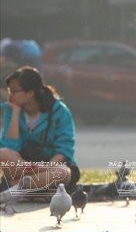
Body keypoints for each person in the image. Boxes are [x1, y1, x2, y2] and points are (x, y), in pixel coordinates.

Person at [0, 66, 79, 194]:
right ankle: (36, 186)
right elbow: (10, 147)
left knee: (62, 173)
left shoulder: (59, 111)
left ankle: (11, 187)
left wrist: (44, 167)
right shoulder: (11, 110)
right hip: (24, 164)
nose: (10, 95)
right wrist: (15, 112)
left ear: (30, 93)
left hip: (51, 165)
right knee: (2, 153)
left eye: (14, 91)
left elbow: (64, 149)